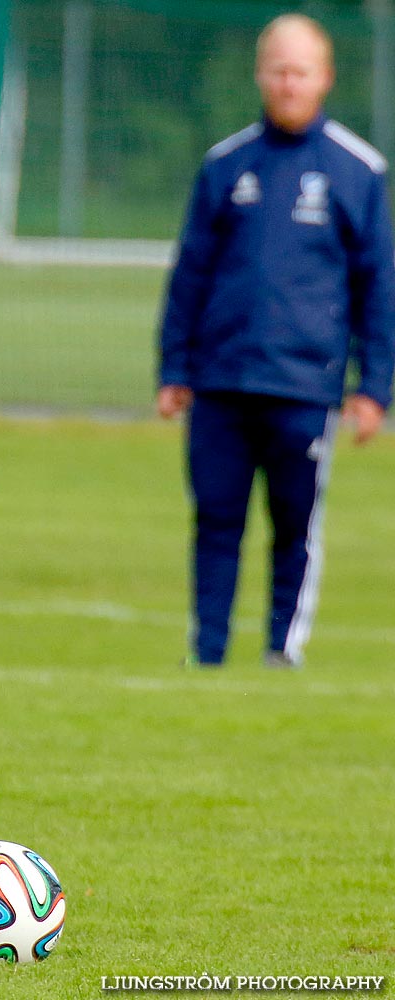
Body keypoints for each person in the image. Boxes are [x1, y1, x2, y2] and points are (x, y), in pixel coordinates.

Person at [157, 13, 395, 669]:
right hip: (221, 381)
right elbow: (191, 274)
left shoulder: (358, 170)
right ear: (261, 74)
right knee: (215, 521)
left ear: (324, 78)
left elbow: (379, 289)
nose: (289, 84)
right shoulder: (225, 164)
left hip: (304, 386)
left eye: (302, 72)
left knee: (294, 527)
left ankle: (280, 650)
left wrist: (373, 387)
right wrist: (174, 367)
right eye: (278, 70)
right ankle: (207, 649)